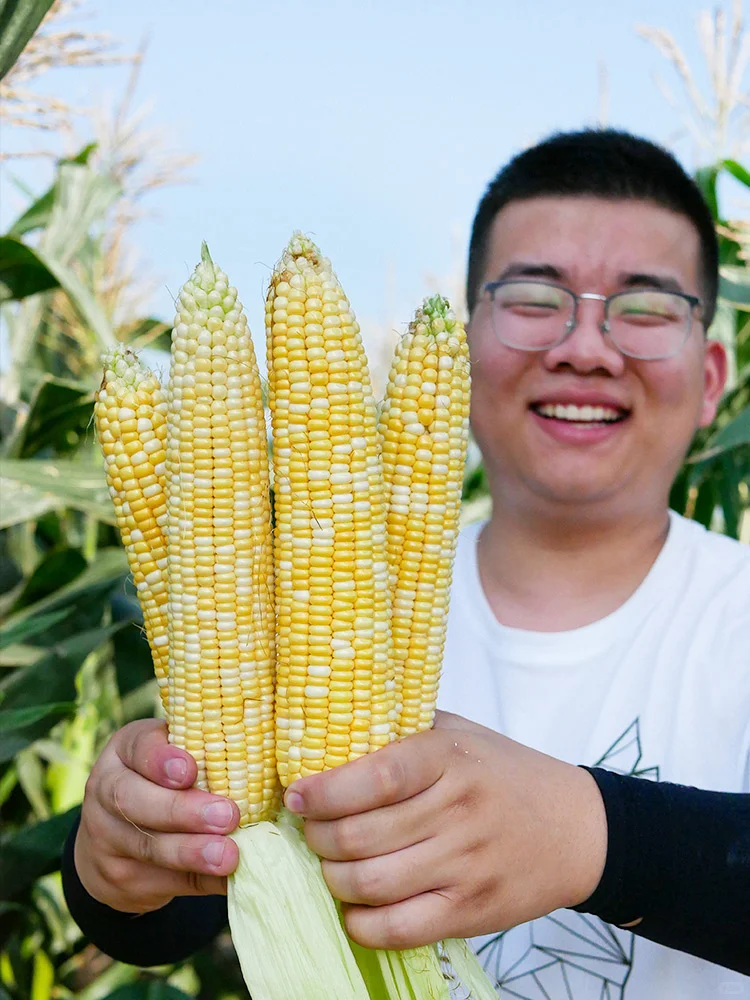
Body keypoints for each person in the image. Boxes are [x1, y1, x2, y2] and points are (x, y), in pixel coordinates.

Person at [63, 129, 750, 997]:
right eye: (535, 298)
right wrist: (115, 871)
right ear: (466, 345)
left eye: (644, 309)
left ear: (715, 374)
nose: (586, 345)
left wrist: (595, 837)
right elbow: (220, 884)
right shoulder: (285, 587)